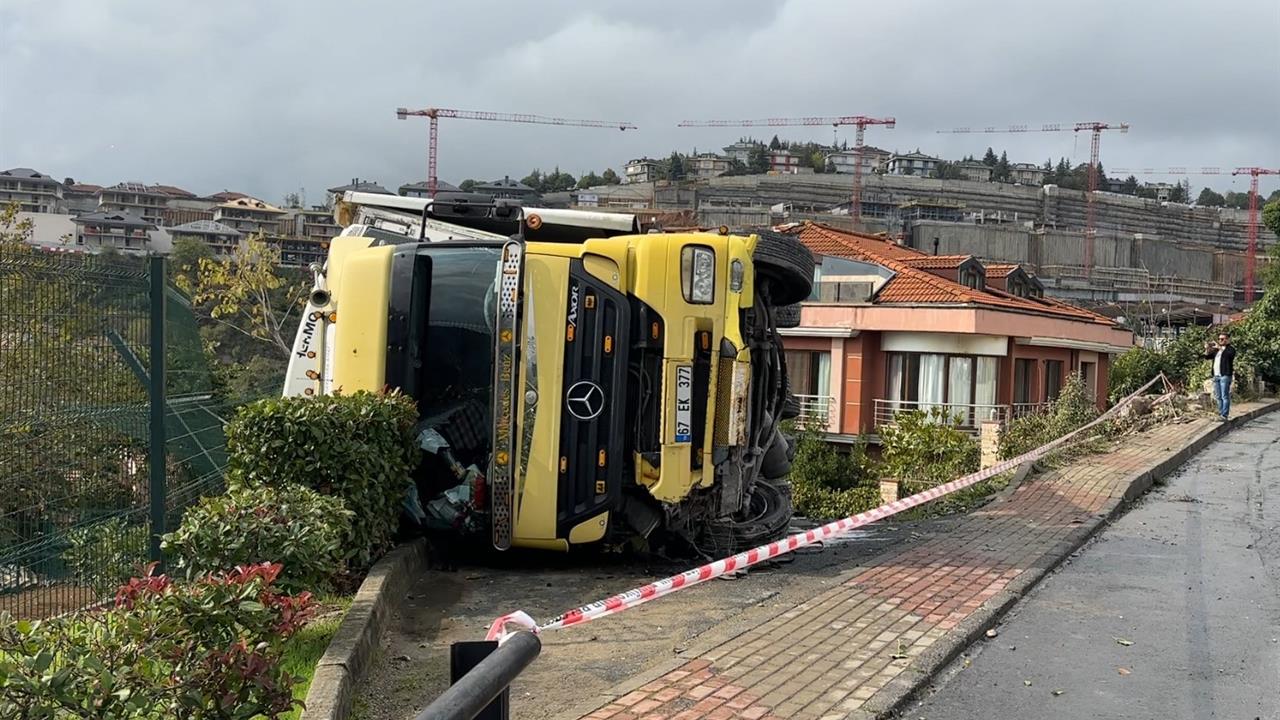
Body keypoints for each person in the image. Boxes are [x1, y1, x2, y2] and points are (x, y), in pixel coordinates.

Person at [1203, 331, 1236, 420]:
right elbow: (1207, 357)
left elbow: (1229, 356)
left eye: (1222, 339)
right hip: (1216, 375)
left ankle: (1224, 415)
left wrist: (1220, 348)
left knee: (1224, 396)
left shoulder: (1230, 349)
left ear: (1227, 340)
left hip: (1225, 375)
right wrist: (1207, 349)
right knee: (1218, 396)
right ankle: (1220, 413)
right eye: (1219, 339)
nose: (1220, 341)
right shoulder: (1216, 350)